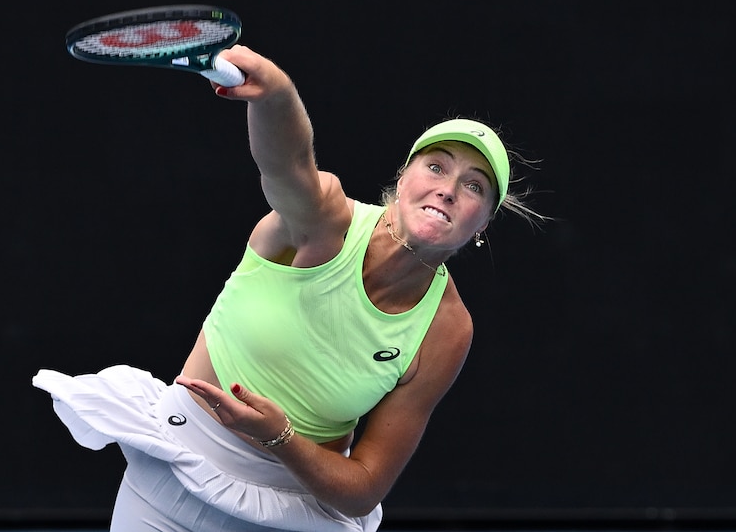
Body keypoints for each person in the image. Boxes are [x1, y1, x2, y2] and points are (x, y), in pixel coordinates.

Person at [32, 44, 546, 532]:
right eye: (436, 166)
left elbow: (365, 486)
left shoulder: (447, 329)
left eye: (474, 185)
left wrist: (281, 438)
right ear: (404, 177)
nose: (449, 189)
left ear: (483, 223)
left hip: (291, 512)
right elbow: (287, 162)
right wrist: (276, 91)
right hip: (168, 487)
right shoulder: (324, 219)